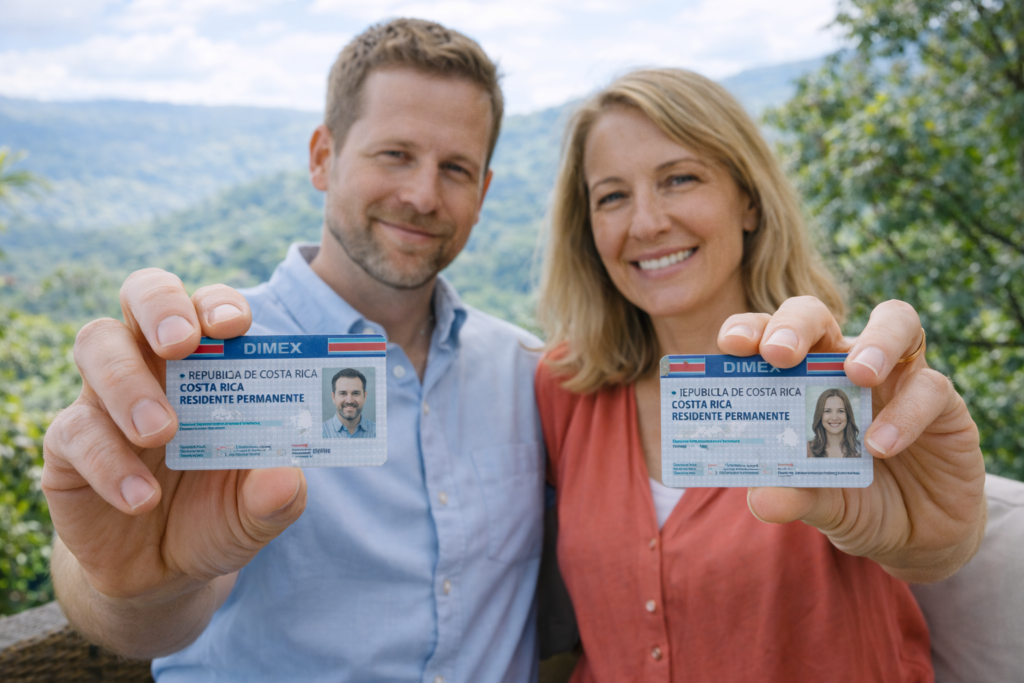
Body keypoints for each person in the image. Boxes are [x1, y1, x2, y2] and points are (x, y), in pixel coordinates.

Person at [42, 19, 547, 682]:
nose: (423, 195)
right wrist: (126, 584)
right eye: (394, 154)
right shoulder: (209, 361)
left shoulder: (527, 372)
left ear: (482, 193)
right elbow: (141, 605)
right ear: (322, 157)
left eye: (455, 168)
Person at [535, 68, 986, 681]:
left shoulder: (844, 383)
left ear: (748, 200)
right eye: (612, 196)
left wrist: (939, 537)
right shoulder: (565, 390)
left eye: (680, 179)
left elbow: (925, 547)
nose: (645, 223)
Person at [323, 368, 376, 438]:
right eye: (343, 393)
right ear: (333, 397)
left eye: (356, 393)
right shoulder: (320, 432)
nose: (349, 401)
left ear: (364, 396)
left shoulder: (378, 432)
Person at [807, 387, 859, 458]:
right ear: (820, 415)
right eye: (828, 411)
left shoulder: (861, 450)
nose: (834, 418)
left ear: (847, 415)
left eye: (840, 411)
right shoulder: (807, 449)